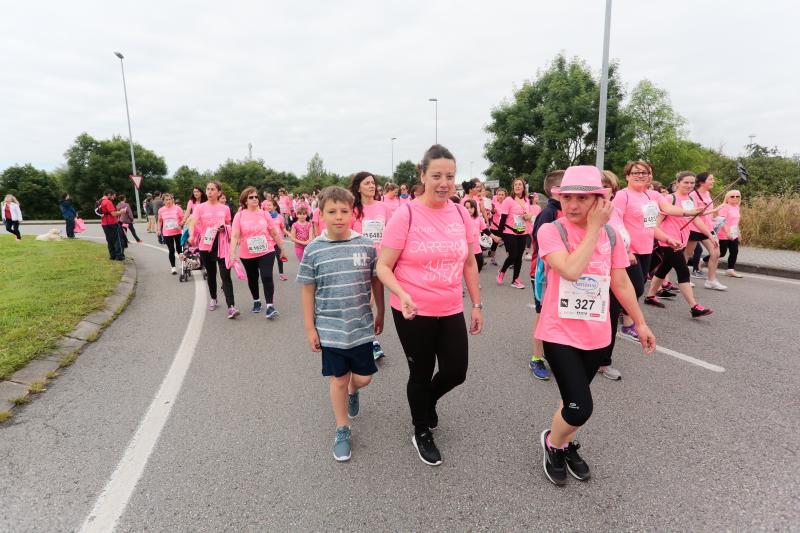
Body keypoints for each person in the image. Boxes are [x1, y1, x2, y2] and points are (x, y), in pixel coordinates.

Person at [534, 165, 656, 486]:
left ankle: (563, 443)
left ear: (599, 201)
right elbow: (571, 270)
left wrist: (640, 323)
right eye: (566, 197)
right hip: (559, 333)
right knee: (579, 408)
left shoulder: (612, 235)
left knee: (570, 399)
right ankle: (553, 442)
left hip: (597, 334)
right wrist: (593, 230)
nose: (572, 204)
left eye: (582, 198)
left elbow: (621, 283)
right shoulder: (552, 231)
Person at [377, 144, 483, 467]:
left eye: (450, 176)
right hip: (412, 310)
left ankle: (427, 402)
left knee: (456, 371)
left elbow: (469, 263)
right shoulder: (405, 214)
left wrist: (477, 304)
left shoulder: (462, 212)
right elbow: (383, 266)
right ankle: (421, 429)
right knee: (420, 372)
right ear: (422, 175)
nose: (444, 183)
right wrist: (402, 293)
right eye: (436, 175)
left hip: (451, 306)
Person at [298, 186, 385, 462]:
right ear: (321, 214)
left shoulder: (366, 245)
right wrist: (311, 328)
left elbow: (375, 281)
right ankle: (342, 427)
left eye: (344, 211)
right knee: (338, 379)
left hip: (360, 327)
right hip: (330, 330)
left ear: (353, 213)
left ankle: (354, 391)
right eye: (332, 211)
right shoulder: (314, 250)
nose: (338, 217)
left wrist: (381, 311)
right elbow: (307, 289)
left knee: (363, 378)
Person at [644, 171, 714, 318]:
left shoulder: (690, 199)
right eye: (685, 182)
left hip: (681, 241)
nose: (689, 185)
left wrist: (710, 234)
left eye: (692, 183)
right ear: (677, 183)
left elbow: (696, 220)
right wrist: (661, 237)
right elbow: (657, 221)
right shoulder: (670, 198)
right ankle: (694, 306)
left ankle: (650, 296)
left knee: (664, 268)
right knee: (683, 271)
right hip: (668, 241)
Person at [349, 171, 394, 361]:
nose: (372, 186)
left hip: (380, 261)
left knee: (375, 300)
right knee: (364, 301)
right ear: (358, 187)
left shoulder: (384, 208)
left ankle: (369, 336)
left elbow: (393, 233)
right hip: (358, 260)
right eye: (367, 183)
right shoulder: (352, 209)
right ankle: (370, 340)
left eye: (373, 183)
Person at [529, 170, 565, 380]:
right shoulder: (548, 214)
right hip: (543, 275)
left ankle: (556, 355)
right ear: (556, 190)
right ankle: (536, 357)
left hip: (563, 274)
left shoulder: (566, 210)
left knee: (559, 315)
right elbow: (543, 246)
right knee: (542, 315)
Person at [231, 187, 286, 318]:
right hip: (247, 253)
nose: (255, 199)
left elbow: (274, 232)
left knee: (267, 276)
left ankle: (270, 306)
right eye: (251, 197)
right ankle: (256, 301)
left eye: (256, 197)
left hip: (267, 250)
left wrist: (282, 248)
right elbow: (234, 235)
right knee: (253, 278)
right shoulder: (239, 215)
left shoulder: (265, 214)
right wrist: (231, 253)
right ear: (245, 200)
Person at [190, 181, 238, 318]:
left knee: (226, 276)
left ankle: (231, 307)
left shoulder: (225, 208)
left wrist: (225, 229)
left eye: (212, 189)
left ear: (219, 192)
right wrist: (192, 235)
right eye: (208, 189)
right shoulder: (200, 208)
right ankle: (213, 298)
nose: (209, 192)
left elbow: (229, 225)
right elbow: (193, 223)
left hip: (222, 244)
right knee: (211, 274)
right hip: (206, 245)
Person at [685, 172, 727, 290]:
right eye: (711, 179)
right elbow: (695, 214)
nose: (713, 181)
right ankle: (683, 278)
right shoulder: (692, 195)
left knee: (716, 253)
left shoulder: (708, 193)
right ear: (702, 181)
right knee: (687, 254)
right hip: (695, 228)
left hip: (708, 228)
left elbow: (708, 213)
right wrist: (716, 209)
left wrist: (715, 220)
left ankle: (711, 280)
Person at [497, 178, 534, 289]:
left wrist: (528, 216)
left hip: (521, 230)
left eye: (520, 184)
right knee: (513, 255)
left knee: (519, 257)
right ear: (513, 188)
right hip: (509, 231)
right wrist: (499, 235)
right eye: (515, 185)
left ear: (523, 187)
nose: (517, 186)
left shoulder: (527, 200)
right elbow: (503, 218)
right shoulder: (508, 200)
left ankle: (515, 280)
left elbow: (529, 215)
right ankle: (502, 271)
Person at [710, 190, 743, 278]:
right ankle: (702, 261)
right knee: (721, 253)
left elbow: (736, 222)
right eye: (732, 196)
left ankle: (730, 270)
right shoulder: (724, 207)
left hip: (733, 232)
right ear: (727, 198)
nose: (735, 198)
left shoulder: (737, 207)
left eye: (737, 196)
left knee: (734, 251)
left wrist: (738, 233)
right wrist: (727, 233)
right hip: (723, 233)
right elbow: (722, 221)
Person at [157, 193, 185, 274]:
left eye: (170, 199)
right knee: (171, 250)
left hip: (178, 232)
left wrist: (181, 225)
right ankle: (173, 267)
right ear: (163, 201)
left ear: (172, 200)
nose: (168, 201)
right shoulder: (161, 210)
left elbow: (182, 218)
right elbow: (159, 221)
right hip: (167, 233)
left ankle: (181, 262)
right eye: (166, 200)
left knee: (179, 249)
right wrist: (158, 229)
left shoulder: (177, 208)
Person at [265, 198, 289, 281]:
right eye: (267, 205)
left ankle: (281, 274)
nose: (267, 206)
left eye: (269, 205)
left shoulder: (279, 217)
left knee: (280, 258)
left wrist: (288, 233)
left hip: (278, 241)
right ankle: (269, 274)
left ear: (275, 207)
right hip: (268, 242)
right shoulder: (264, 216)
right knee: (269, 259)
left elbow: (283, 228)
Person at [99, 190, 124, 260]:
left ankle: (112, 256)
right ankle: (119, 256)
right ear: (109, 194)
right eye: (113, 196)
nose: (114, 197)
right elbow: (113, 214)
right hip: (112, 223)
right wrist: (121, 212)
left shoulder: (100, 201)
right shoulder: (108, 202)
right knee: (117, 240)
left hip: (104, 223)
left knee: (109, 240)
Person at [464, 199, 487, 272]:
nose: (469, 210)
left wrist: (494, 237)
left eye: (471, 207)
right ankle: (473, 283)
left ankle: (475, 283)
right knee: (469, 271)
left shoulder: (478, 219)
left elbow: (485, 229)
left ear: (475, 208)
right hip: (466, 251)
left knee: (479, 265)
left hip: (477, 249)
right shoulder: (461, 220)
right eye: (467, 208)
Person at [488, 187, 507, 266]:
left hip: (505, 228)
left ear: (505, 196)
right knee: (494, 244)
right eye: (499, 194)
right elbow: (491, 212)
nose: (501, 196)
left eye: (502, 195)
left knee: (508, 244)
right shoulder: (494, 205)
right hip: (495, 227)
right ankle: (493, 259)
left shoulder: (507, 205)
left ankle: (510, 260)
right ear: (497, 195)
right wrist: (492, 210)